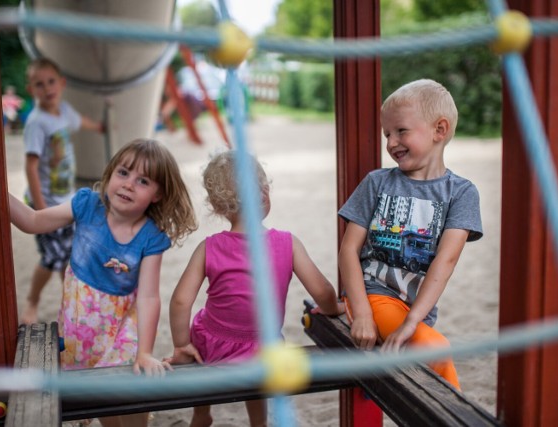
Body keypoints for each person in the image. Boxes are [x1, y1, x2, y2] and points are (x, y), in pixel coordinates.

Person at [9, 138, 198, 427]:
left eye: (143, 180)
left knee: (132, 389)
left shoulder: (150, 237)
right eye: (123, 173)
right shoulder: (87, 205)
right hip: (79, 327)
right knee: (100, 402)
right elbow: (33, 221)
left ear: (157, 195)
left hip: (120, 328)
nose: (128, 184)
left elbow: (148, 297)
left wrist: (145, 352)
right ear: (110, 174)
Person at [165, 150, 344, 427]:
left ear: (218, 206)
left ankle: (202, 413)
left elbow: (180, 302)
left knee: (198, 341)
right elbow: (322, 291)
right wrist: (333, 309)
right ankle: (258, 422)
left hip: (213, 345)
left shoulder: (209, 247)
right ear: (264, 193)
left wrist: (181, 346)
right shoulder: (288, 243)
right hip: (264, 349)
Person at [337, 79, 483, 391]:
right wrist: (361, 313)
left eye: (401, 131)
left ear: (439, 130)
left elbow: (445, 263)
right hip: (373, 295)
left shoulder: (461, 194)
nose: (390, 142)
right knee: (438, 353)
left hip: (416, 306)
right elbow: (349, 250)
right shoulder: (376, 183)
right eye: (386, 134)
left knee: (423, 355)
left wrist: (413, 320)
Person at [19, 57, 106, 325]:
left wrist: (101, 127)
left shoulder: (64, 111)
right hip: (42, 203)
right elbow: (31, 167)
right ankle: (32, 301)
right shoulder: (37, 122)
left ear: (62, 83)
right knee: (52, 257)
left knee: (69, 254)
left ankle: (70, 303)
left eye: (51, 82)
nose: (47, 88)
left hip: (65, 200)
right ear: (31, 89)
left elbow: (80, 121)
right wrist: (41, 208)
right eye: (39, 84)